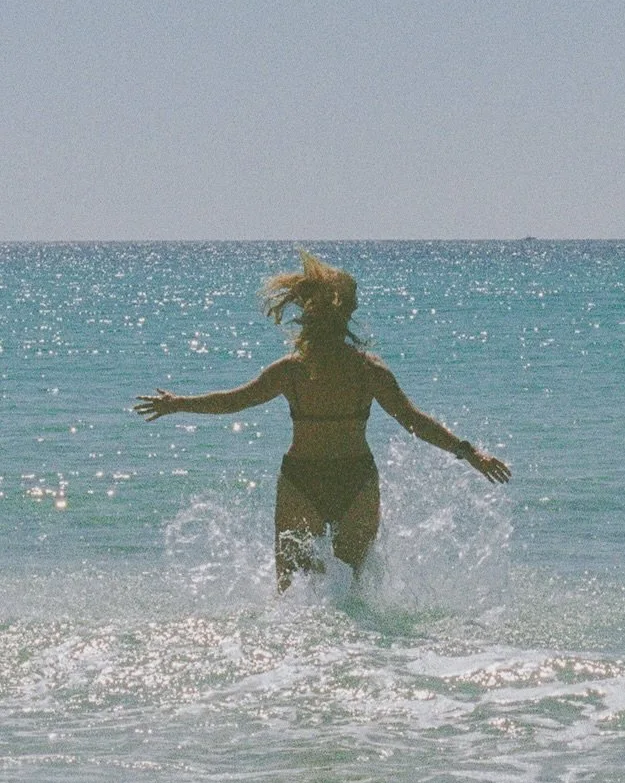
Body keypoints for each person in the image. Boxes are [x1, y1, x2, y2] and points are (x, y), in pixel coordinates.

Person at [134, 250, 510, 588]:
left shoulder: (299, 370)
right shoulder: (361, 370)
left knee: (292, 592)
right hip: (350, 479)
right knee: (349, 593)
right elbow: (414, 421)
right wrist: (469, 453)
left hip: (308, 479)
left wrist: (179, 404)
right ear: (344, 315)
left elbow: (235, 402)